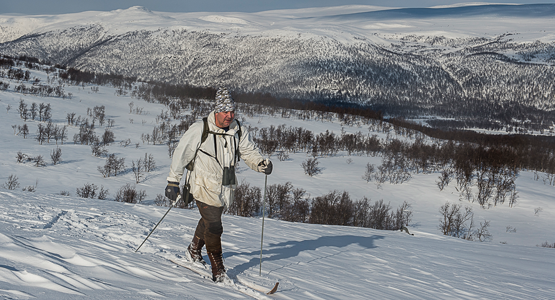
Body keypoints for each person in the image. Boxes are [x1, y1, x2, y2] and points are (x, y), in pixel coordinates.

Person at [165, 87, 272, 282]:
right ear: (217, 111)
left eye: (232, 111)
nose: (230, 116)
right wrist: (173, 181)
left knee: (208, 221)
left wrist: (260, 163)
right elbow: (181, 154)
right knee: (214, 226)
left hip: (225, 188)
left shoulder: (238, 130)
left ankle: (194, 250)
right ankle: (218, 268)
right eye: (226, 112)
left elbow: (248, 152)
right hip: (202, 185)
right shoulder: (200, 129)